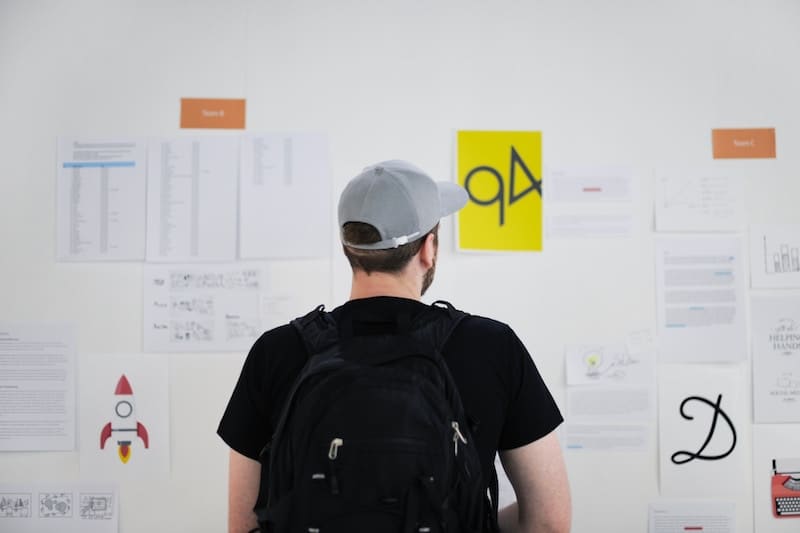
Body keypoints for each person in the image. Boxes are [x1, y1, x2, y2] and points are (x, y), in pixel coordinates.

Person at [218, 159, 571, 533]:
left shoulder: (276, 351)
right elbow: (549, 521)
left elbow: (244, 525)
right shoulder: (492, 347)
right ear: (428, 249)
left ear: (348, 249)